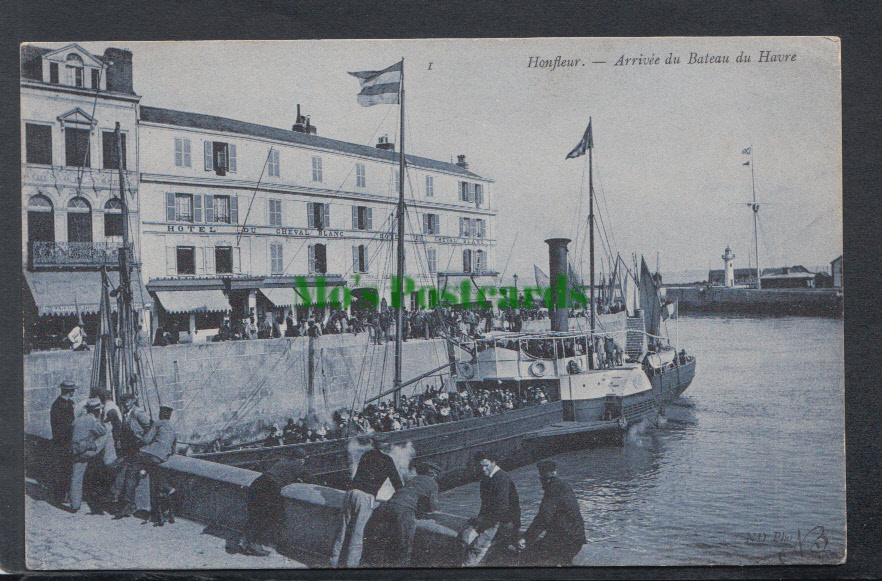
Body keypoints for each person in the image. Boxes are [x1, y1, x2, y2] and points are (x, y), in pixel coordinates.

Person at [331, 432, 403, 567]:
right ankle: (351, 566)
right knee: (357, 534)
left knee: (341, 530)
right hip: (365, 496)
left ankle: (333, 561)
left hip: (351, 493)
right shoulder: (387, 460)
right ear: (385, 445)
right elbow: (397, 483)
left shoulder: (366, 455)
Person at [238, 447, 313, 556]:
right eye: (304, 459)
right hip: (271, 487)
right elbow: (311, 480)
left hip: (258, 483)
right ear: (301, 459)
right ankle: (254, 544)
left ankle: (244, 541)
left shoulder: (282, 461)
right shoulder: (299, 466)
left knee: (255, 514)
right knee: (270, 516)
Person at [518, 460, 586, 565]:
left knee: (529, 555)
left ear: (542, 476)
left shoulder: (552, 489)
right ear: (555, 472)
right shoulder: (563, 485)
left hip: (566, 540)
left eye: (540, 475)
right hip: (576, 536)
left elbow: (543, 517)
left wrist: (526, 538)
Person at [115, 405, 177, 521]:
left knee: (131, 470)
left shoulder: (158, 423)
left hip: (150, 453)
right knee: (151, 470)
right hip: (162, 457)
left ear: (161, 414)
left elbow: (146, 440)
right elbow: (173, 448)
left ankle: (128, 504)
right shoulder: (173, 429)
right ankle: (167, 488)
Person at [374, 460, 441, 566]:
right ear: (434, 474)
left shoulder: (413, 479)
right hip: (404, 510)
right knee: (405, 542)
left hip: (388, 505)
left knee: (387, 539)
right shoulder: (433, 484)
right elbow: (432, 506)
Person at [460, 451, 521, 566]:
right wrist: (479, 521)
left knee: (478, 546)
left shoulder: (502, 478)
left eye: (486, 465)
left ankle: (469, 565)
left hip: (504, 521)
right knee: (465, 537)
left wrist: (483, 524)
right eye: (480, 466)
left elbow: (502, 507)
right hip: (490, 518)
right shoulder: (485, 478)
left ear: (493, 463)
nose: (483, 469)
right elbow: (484, 504)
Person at [69, 398, 117, 513]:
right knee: (108, 433)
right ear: (98, 411)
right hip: (87, 452)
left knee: (76, 478)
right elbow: (102, 431)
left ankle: (75, 505)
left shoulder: (77, 420)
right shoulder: (93, 421)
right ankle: (110, 459)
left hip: (75, 452)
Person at [49, 381, 77, 504]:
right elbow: (65, 426)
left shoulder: (60, 403)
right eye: (73, 390)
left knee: (64, 469)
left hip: (61, 441)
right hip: (63, 442)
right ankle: (60, 497)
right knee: (63, 469)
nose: (74, 392)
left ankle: (62, 495)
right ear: (69, 391)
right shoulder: (63, 406)